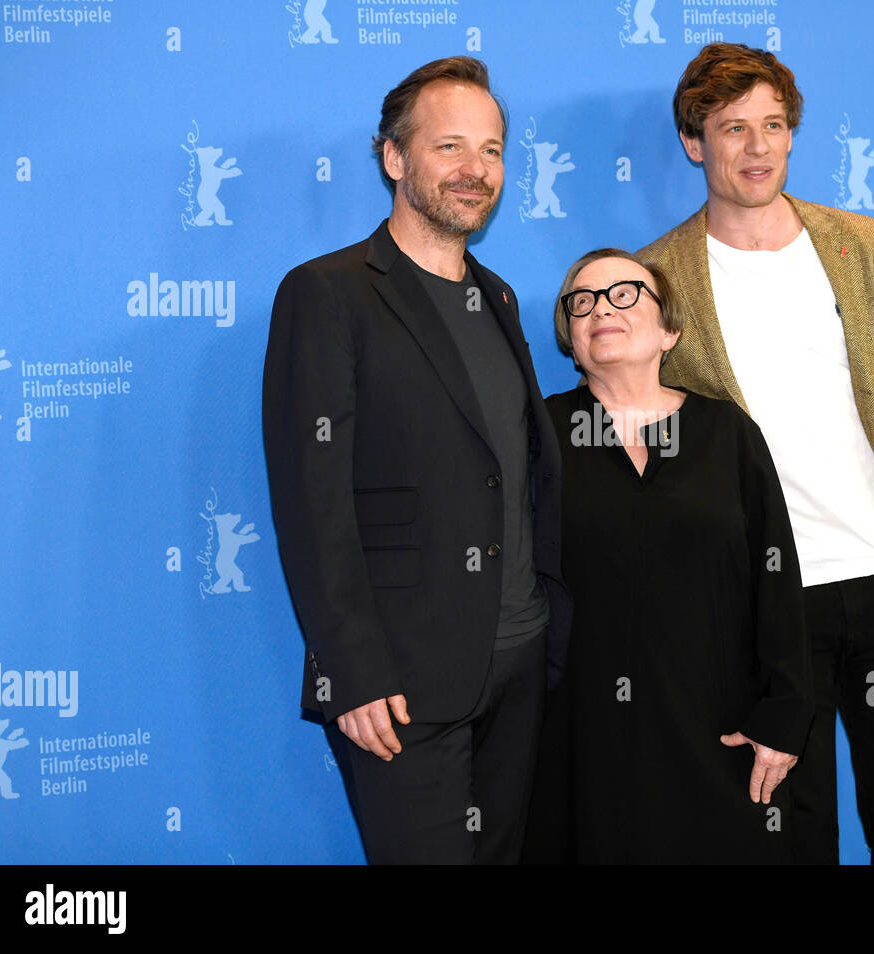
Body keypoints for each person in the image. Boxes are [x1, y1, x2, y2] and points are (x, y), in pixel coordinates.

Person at [639, 43, 874, 865]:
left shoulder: (870, 248)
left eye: (774, 125)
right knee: (786, 843)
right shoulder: (656, 279)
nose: (757, 148)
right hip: (766, 613)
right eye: (733, 128)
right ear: (693, 142)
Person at [260, 56, 570, 864]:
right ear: (395, 158)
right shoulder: (328, 294)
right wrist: (350, 672)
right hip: (398, 683)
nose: (477, 171)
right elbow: (310, 501)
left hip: (518, 662)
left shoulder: (497, 298)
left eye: (494, 151)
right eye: (451, 147)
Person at [522, 249, 813, 864]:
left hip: (721, 737)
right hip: (579, 743)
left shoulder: (727, 434)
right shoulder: (536, 437)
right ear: (570, 341)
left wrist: (784, 715)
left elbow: (778, 581)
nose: (602, 307)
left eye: (625, 293)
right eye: (583, 301)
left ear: (669, 331)